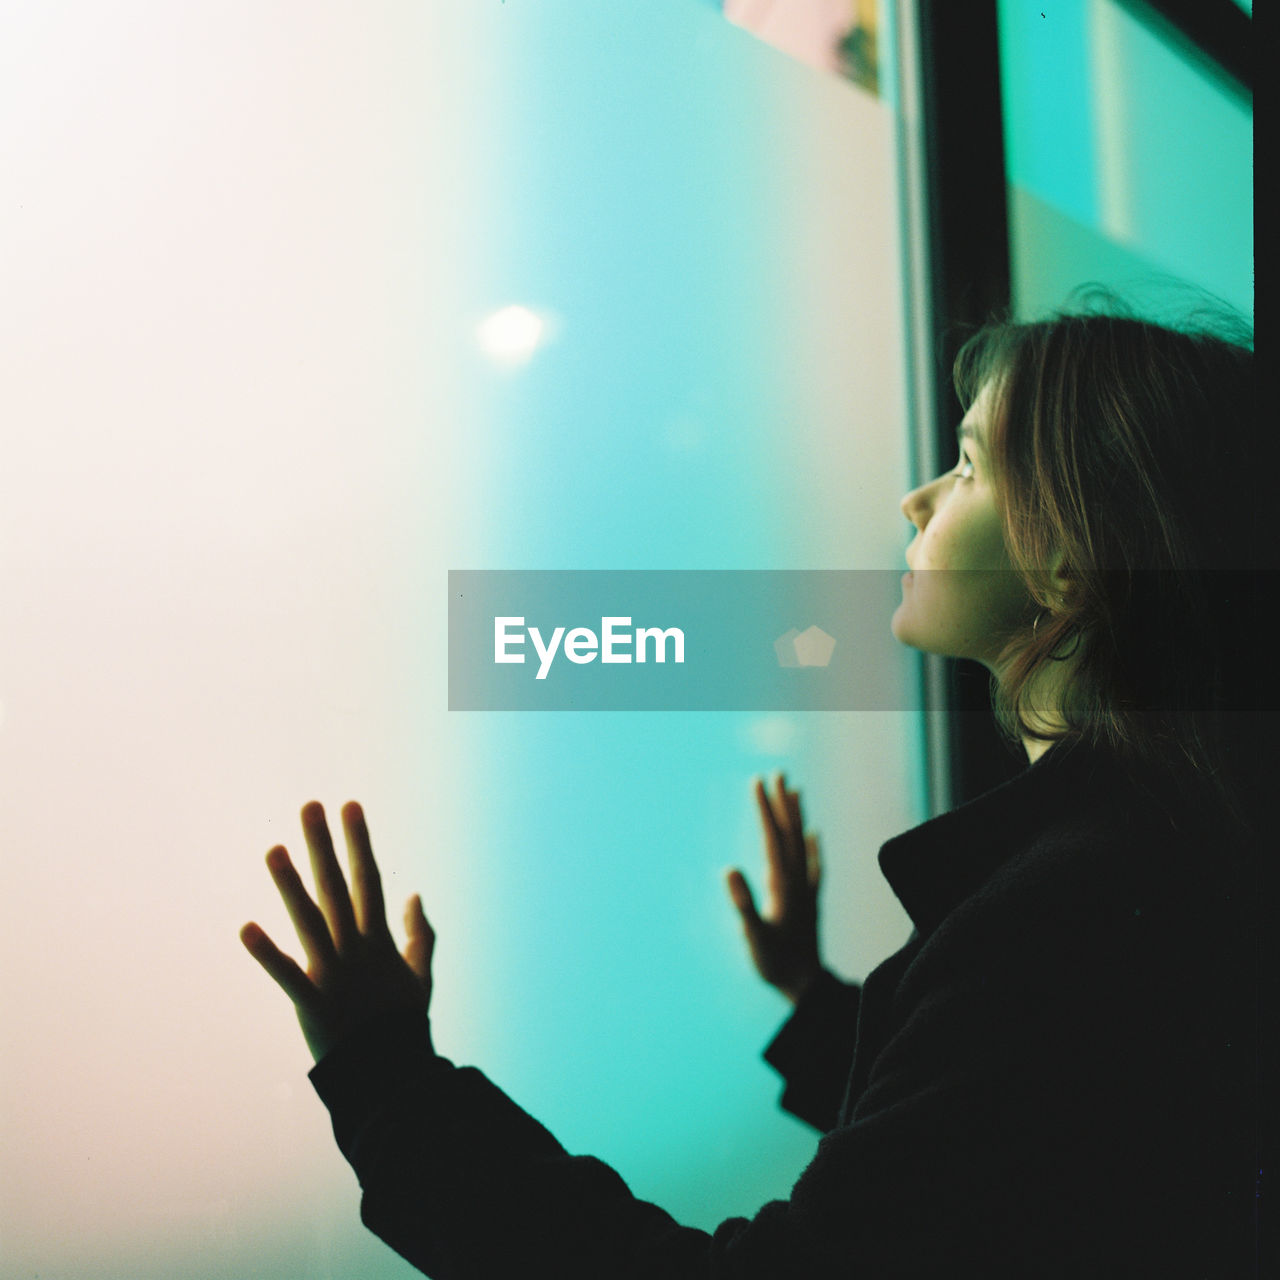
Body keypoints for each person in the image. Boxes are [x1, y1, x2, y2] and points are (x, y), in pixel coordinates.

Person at [240, 300, 1261, 1277]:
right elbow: (988, 1178)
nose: (915, 500)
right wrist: (816, 999)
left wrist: (385, 1079)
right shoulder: (1165, 852)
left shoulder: (1069, 912)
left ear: (1070, 560)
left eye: (964, 463)